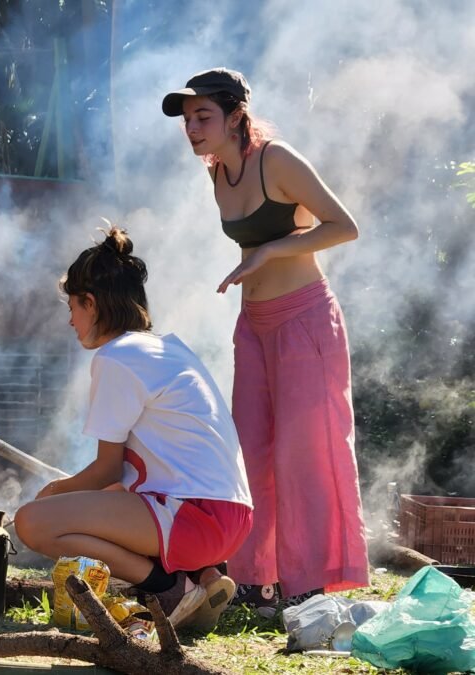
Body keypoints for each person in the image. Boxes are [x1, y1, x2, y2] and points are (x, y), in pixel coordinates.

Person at [162, 67, 368, 615]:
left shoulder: (276, 159)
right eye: (187, 120)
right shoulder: (217, 174)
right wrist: (253, 263)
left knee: (305, 454)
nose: (193, 128)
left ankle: (308, 584)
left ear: (235, 117)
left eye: (203, 116)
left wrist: (272, 252)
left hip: (305, 320)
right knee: (252, 450)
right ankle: (257, 580)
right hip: (253, 325)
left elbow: (344, 225)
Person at [13, 226, 254, 630]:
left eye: (72, 307)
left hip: (195, 519)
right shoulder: (168, 348)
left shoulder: (117, 357)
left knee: (33, 521)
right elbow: (125, 476)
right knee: (96, 503)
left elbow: (107, 470)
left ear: (91, 303)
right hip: (231, 517)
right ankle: (202, 576)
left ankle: (166, 586)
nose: (70, 320)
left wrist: (55, 491)